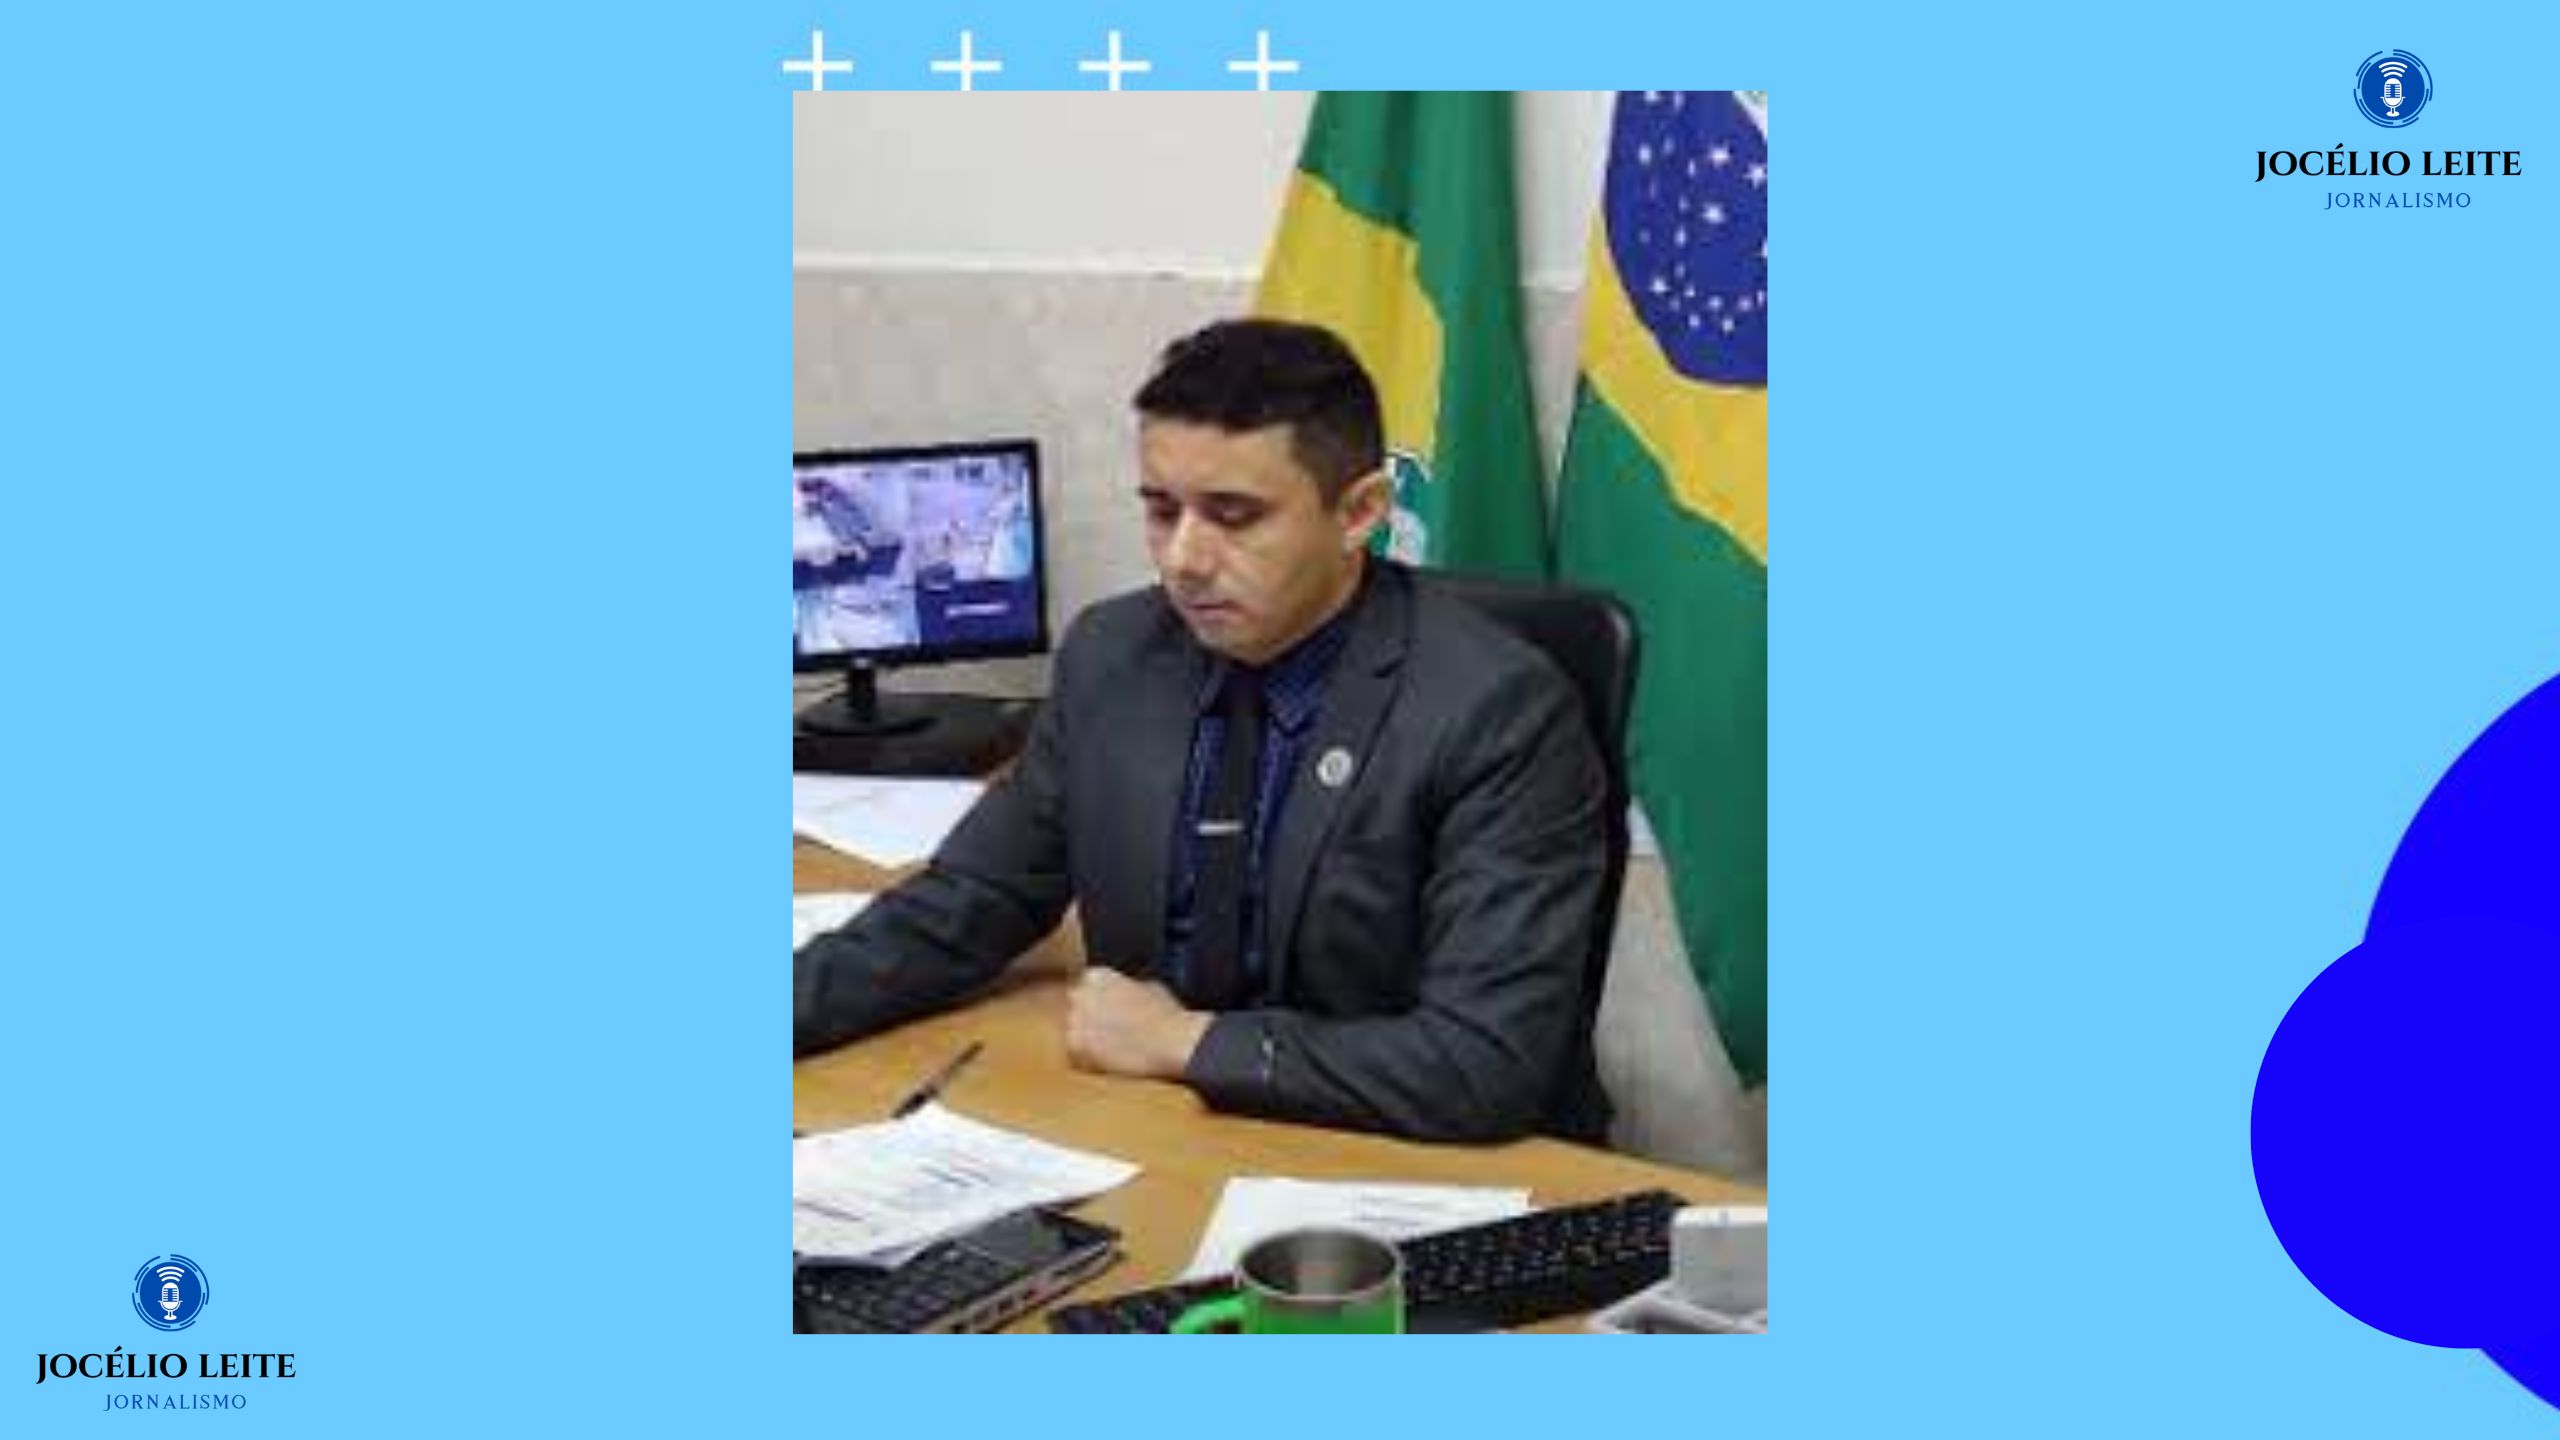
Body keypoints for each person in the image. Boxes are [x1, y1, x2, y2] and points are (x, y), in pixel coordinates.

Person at [793, 319, 1610, 1143]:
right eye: (1161, 511)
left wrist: (1184, 1042)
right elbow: (969, 903)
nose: (1183, 558)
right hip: (1166, 1128)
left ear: (1359, 512)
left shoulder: (1495, 706)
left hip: (1406, 1160)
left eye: (1234, 516)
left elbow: (1482, 1066)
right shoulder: (1113, 655)